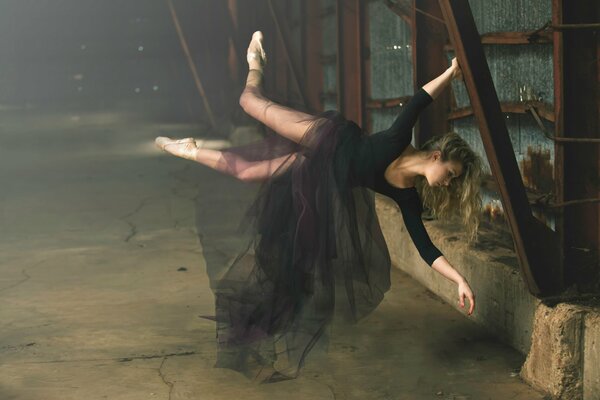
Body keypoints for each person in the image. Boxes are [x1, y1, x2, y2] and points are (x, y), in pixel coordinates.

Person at [155, 31, 482, 383]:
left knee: (250, 173)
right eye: (451, 173)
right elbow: (421, 98)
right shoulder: (398, 139)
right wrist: (452, 71)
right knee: (249, 102)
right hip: (326, 137)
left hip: (315, 175)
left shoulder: (407, 195)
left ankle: (190, 149)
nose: (448, 182)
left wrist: (459, 279)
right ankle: (255, 62)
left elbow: (425, 246)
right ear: (437, 156)